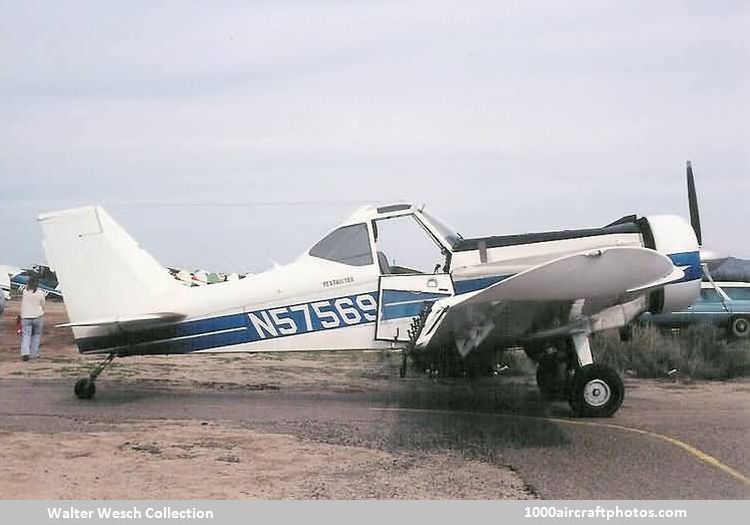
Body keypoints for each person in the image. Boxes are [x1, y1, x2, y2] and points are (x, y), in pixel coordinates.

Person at [20, 275, 45, 361]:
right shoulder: (40, 292)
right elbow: (43, 304)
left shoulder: (25, 292)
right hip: (37, 316)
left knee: (26, 335)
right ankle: (34, 353)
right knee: (36, 336)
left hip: (26, 316)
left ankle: (25, 352)